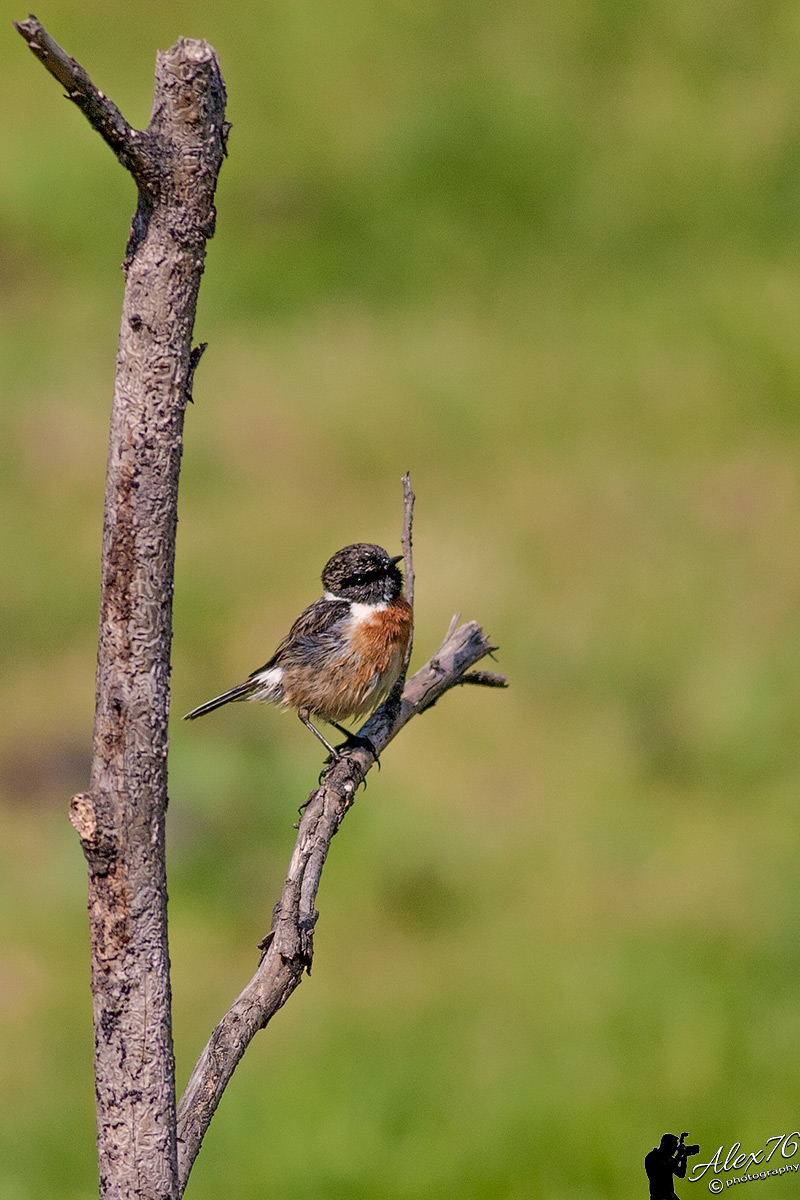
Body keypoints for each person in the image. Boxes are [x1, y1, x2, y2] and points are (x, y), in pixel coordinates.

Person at [644, 1133, 688, 1199]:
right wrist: (679, 1155)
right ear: (665, 1144)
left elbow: (681, 1174)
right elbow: (664, 1171)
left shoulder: (668, 1158)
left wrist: (684, 1157)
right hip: (659, 1197)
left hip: (669, 1195)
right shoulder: (652, 1157)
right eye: (673, 1146)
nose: (675, 1149)